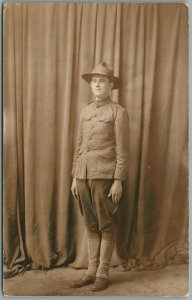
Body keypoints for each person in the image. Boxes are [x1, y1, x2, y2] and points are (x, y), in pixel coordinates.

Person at [70, 62, 129, 291]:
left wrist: (118, 181)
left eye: (101, 80)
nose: (96, 84)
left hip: (105, 175)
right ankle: (90, 272)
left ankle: (103, 272)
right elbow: (79, 147)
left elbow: (123, 151)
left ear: (111, 85)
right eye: (94, 81)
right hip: (83, 175)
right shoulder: (85, 112)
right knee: (90, 223)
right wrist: (75, 176)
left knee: (106, 223)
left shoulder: (118, 112)